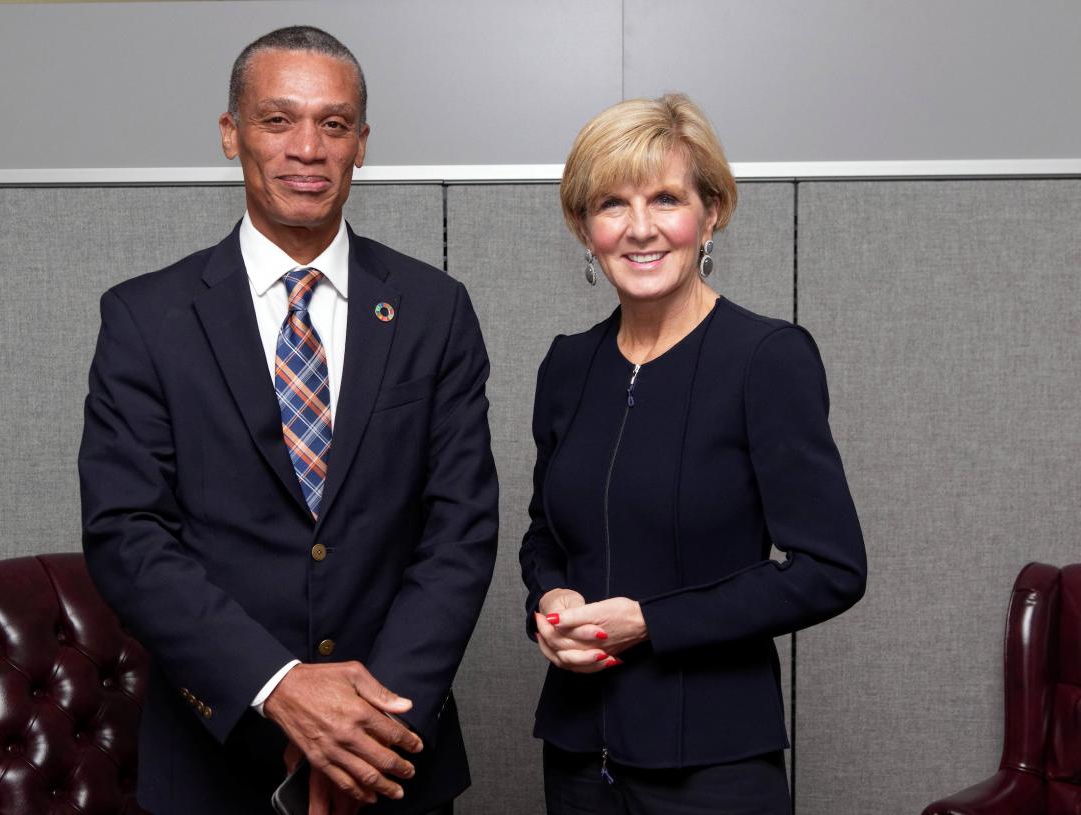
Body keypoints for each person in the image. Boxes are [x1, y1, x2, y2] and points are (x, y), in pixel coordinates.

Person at [80, 26, 497, 815]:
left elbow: (460, 534)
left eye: (333, 124)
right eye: (278, 120)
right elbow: (127, 534)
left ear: (362, 144)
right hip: (214, 763)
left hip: (394, 761)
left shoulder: (434, 311)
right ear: (231, 134)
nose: (307, 147)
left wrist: (364, 732)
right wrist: (281, 691)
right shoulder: (145, 318)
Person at [519, 93, 867, 814]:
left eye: (666, 198)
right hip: (579, 759)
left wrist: (650, 620)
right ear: (584, 227)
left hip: (715, 769)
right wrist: (549, 603)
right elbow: (544, 536)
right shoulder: (567, 367)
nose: (640, 228)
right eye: (612, 203)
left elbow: (831, 570)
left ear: (711, 213)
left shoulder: (766, 358)